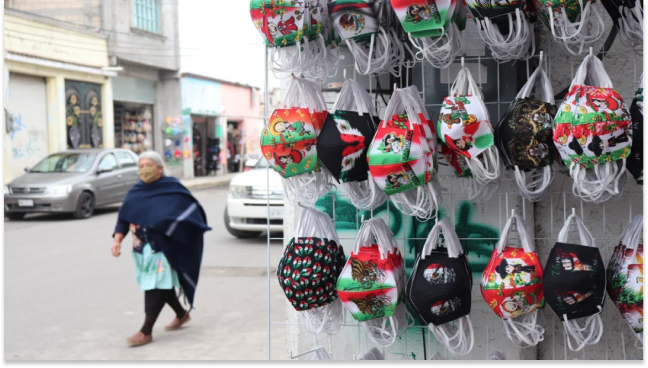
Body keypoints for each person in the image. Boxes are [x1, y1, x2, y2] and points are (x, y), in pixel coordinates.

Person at [112, 151, 211, 347]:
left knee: (156, 285)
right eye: (140, 166)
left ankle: (145, 331)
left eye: (148, 165)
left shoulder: (172, 188)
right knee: (159, 283)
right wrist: (117, 240)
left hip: (165, 248)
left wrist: (172, 228)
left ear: (159, 168)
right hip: (142, 250)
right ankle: (182, 314)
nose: (144, 170)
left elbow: (189, 214)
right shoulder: (135, 192)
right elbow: (124, 217)